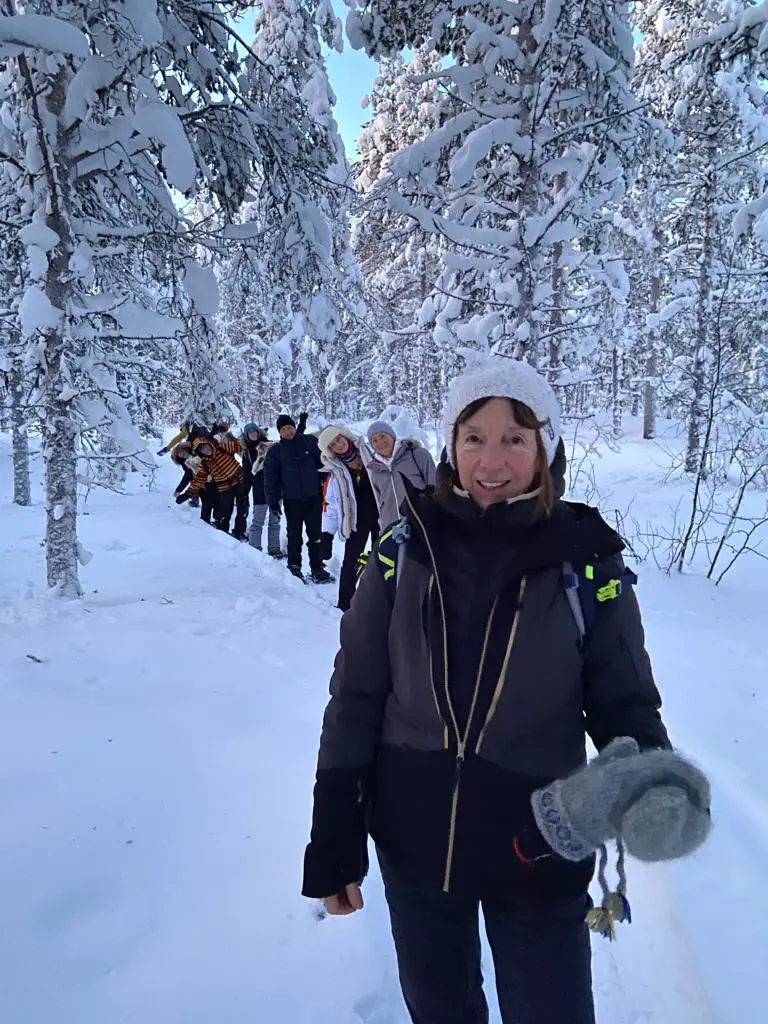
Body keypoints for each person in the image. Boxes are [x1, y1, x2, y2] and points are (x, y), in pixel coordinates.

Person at [302, 361, 711, 1024]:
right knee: (441, 1010)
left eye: (516, 439)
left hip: (542, 846)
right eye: (474, 438)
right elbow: (354, 699)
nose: (492, 461)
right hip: (415, 850)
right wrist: (334, 837)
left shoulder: (586, 561)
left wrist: (652, 782)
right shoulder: (400, 551)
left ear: (545, 451)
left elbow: (625, 703)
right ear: (449, 449)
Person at [264, 413, 333, 584]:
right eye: (284, 429)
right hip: (292, 500)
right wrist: (272, 501)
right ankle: (294, 567)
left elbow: (324, 463)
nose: (288, 431)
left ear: (295, 427)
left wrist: (327, 486)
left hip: (313, 498)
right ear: (279, 432)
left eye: (290, 427)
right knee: (294, 535)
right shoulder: (276, 450)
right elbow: (270, 477)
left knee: (315, 535)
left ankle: (317, 568)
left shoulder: (310, 442)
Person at [318, 426, 380, 612]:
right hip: (355, 522)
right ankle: (344, 605)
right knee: (350, 564)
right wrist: (327, 535)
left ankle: (383, 603)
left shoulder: (370, 453)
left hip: (381, 518)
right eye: (333, 444)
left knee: (385, 560)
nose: (338, 444)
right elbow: (331, 504)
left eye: (338, 438)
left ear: (344, 435)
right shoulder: (335, 472)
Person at [365, 420, 436, 527]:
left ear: (392, 436)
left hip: (422, 525)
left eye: (383, 436)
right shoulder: (375, 471)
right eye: (374, 440)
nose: (380, 442)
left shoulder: (417, 455)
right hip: (393, 530)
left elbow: (436, 488)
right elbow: (380, 503)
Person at [176, 434, 244, 533]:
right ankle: (223, 534)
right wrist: (187, 494)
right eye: (202, 449)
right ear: (200, 452)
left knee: (243, 509)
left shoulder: (222, 448)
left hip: (239, 481)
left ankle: (239, 532)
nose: (206, 449)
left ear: (208, 444)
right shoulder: (205, 463)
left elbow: (240, 446)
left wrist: (252, 443)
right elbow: (199, 480)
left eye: (205, 446)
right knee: (225, 512)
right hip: (224, 488)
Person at [237, 423, 283, 556]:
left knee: (275, 521)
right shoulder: (246, 454)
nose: (252, 434)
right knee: (258, 521)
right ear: (246, 435)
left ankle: (274, 548)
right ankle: (254, 549)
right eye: (249, 432)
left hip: (276, 488)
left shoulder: (271, 446)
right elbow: (246, 475)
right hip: (259, 490)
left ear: (258, 432)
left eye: (254, 431)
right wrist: (243, 494)